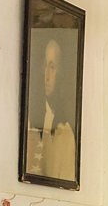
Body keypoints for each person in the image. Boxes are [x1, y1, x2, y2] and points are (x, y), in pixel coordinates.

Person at [24, 36, 77, 182]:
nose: (47, 76)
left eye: (52, 67)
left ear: (60, 73)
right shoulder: (29, 123)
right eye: (45, 66)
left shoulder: (66, 132)